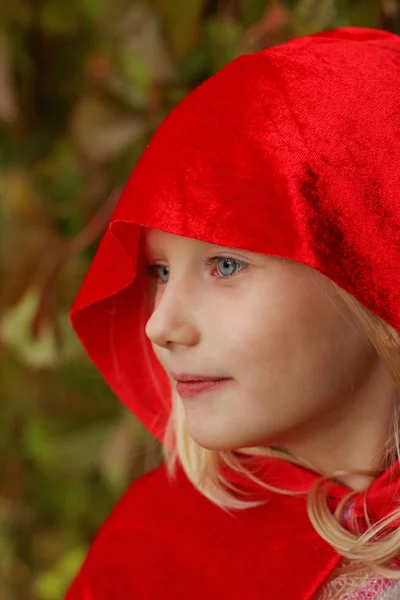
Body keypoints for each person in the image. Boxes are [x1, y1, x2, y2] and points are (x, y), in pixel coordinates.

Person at [64, 26, 400, 599]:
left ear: (370, 262)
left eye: (224, 265)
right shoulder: (154, 553)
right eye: (159, 272)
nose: (160, 326)